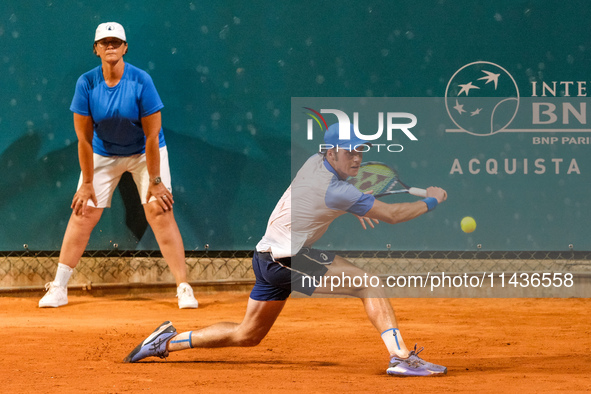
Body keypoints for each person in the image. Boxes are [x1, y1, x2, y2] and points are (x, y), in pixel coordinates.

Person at [123, 123, 448, 376]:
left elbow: (342, 194)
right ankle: (401, 357)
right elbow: (391, 215)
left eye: (359, 151)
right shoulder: (337, 191)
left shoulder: (314, 162)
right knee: (368, 283)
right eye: (349, 152)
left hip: (268, 256)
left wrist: (360, 206)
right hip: (285, 259)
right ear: (331, 153)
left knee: (247, 335)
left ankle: (167, 342)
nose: (357, 157)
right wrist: (431, 201)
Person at [39, 22, 198, 309]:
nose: (110, 46)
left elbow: (152, 135)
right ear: (96, 49)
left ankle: (183, 287)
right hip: (102, 152)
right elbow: (84, 140)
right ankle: (59, 288)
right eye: (104, 42)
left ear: (125, 47)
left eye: (116, 42)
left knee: (159, 211)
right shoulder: (86, 83)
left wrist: (156, 180)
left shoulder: (141, 81)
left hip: (143, 152)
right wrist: (87, 184)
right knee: (83, 211)